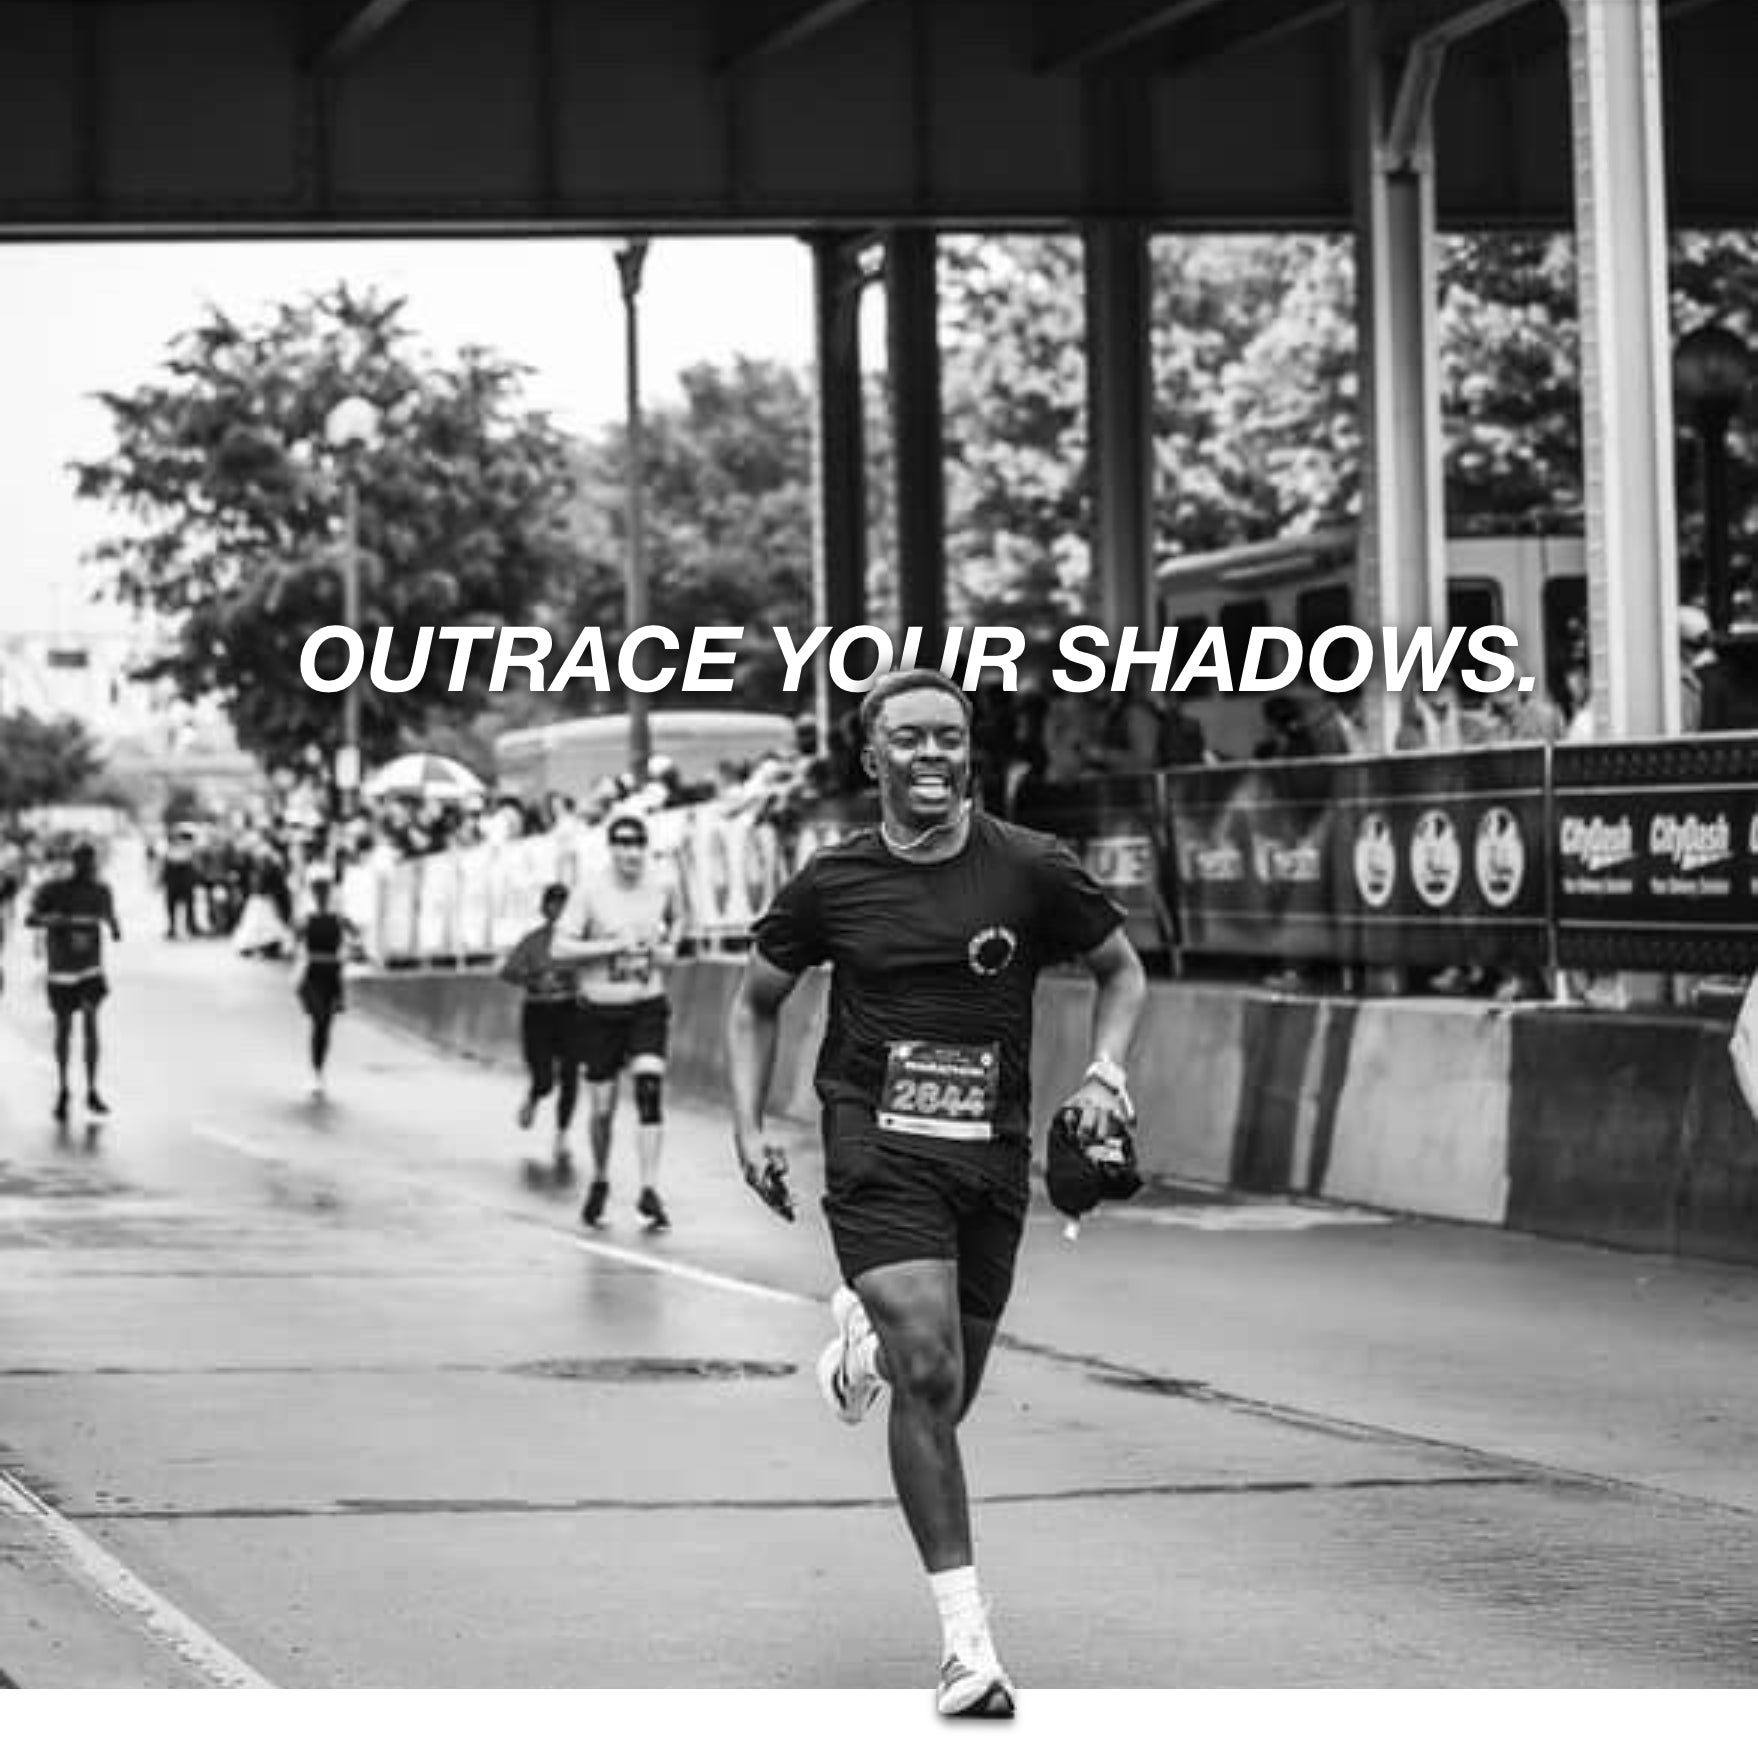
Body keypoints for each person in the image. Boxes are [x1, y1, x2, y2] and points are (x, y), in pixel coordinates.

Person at [725, 668, 1147, 1717]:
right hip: (875, 1143)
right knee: (929, 1370)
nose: (931, 755)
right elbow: (754, 1002)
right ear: (871, 756)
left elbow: (1122, 971)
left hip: (988, 1154)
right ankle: (968, 1648)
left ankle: (862, 1350)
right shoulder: (833, 882)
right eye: (908, 738)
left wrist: (1106, 1074)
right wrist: (750, 1123)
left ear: (969, 753)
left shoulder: (1030, 866)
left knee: (945, 1392)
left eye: (948, 738)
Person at [553, 811, 683, 1231]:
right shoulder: (590, 891)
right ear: (611, 849)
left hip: (646, 1002)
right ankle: (600, 1178)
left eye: (638, 843)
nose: (632, 852)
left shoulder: (662, 884)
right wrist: (610, 946)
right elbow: (559, 948)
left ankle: (649, 1190)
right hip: (599, 1011)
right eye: (623, 844)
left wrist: (668, 947)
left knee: (649, 1090)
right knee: (603, 1108)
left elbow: (680, 918)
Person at [26, 842, 122, 1124]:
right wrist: (50, 920)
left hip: (90, 969)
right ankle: (64, 1087)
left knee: (91, 1025)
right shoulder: (53, 889)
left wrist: (113, 925)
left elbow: (112, 920)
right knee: (64, 1029)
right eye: (82, 862)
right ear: (74, 862)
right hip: (62, 971)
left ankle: (91, 1089)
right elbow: (30, 918)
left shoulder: (101, 890)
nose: (87, 868)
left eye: (90, 863)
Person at [498, 881, 583, 1173]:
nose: (558, 910)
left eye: (563, 905)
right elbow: (507, 971)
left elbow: (594, 968)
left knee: (570, 1073)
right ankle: (535, 1096)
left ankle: (562, 1134)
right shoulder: (533, 940)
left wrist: (572, 981)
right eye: (553, 904)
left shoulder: (580, 942)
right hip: (538, 1012)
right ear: (544, 909)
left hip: (569, 1010)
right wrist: (534, 979)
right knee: (545, 1076)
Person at [294, 874, 355, 1099]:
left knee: (324, 1026)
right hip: (312, 974)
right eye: (318, 892)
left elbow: (356, 937)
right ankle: (315, 1073)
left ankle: (318, 1071)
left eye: (324, 892)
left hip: (331, 975)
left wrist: (349, 949)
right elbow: (293, 942)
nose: (321, 896)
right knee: (319, 1019)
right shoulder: (306, 919)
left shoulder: (339, 919)